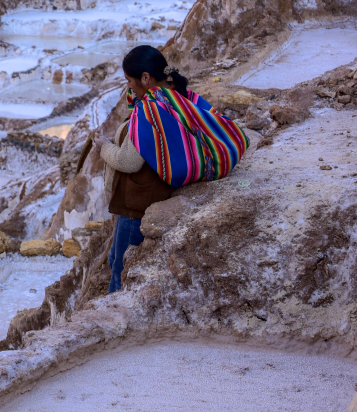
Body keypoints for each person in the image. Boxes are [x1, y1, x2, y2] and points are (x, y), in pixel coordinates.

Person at [99, 45, 249, 293]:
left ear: (145, 78)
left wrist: (103, 147)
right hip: (143, 201)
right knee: (118, 261)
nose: (128, 87)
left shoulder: (150, 108)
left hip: (136, 207)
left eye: (129, 81)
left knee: (120, 269)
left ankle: (113, 320)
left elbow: (129, 161)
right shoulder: (180, 97)